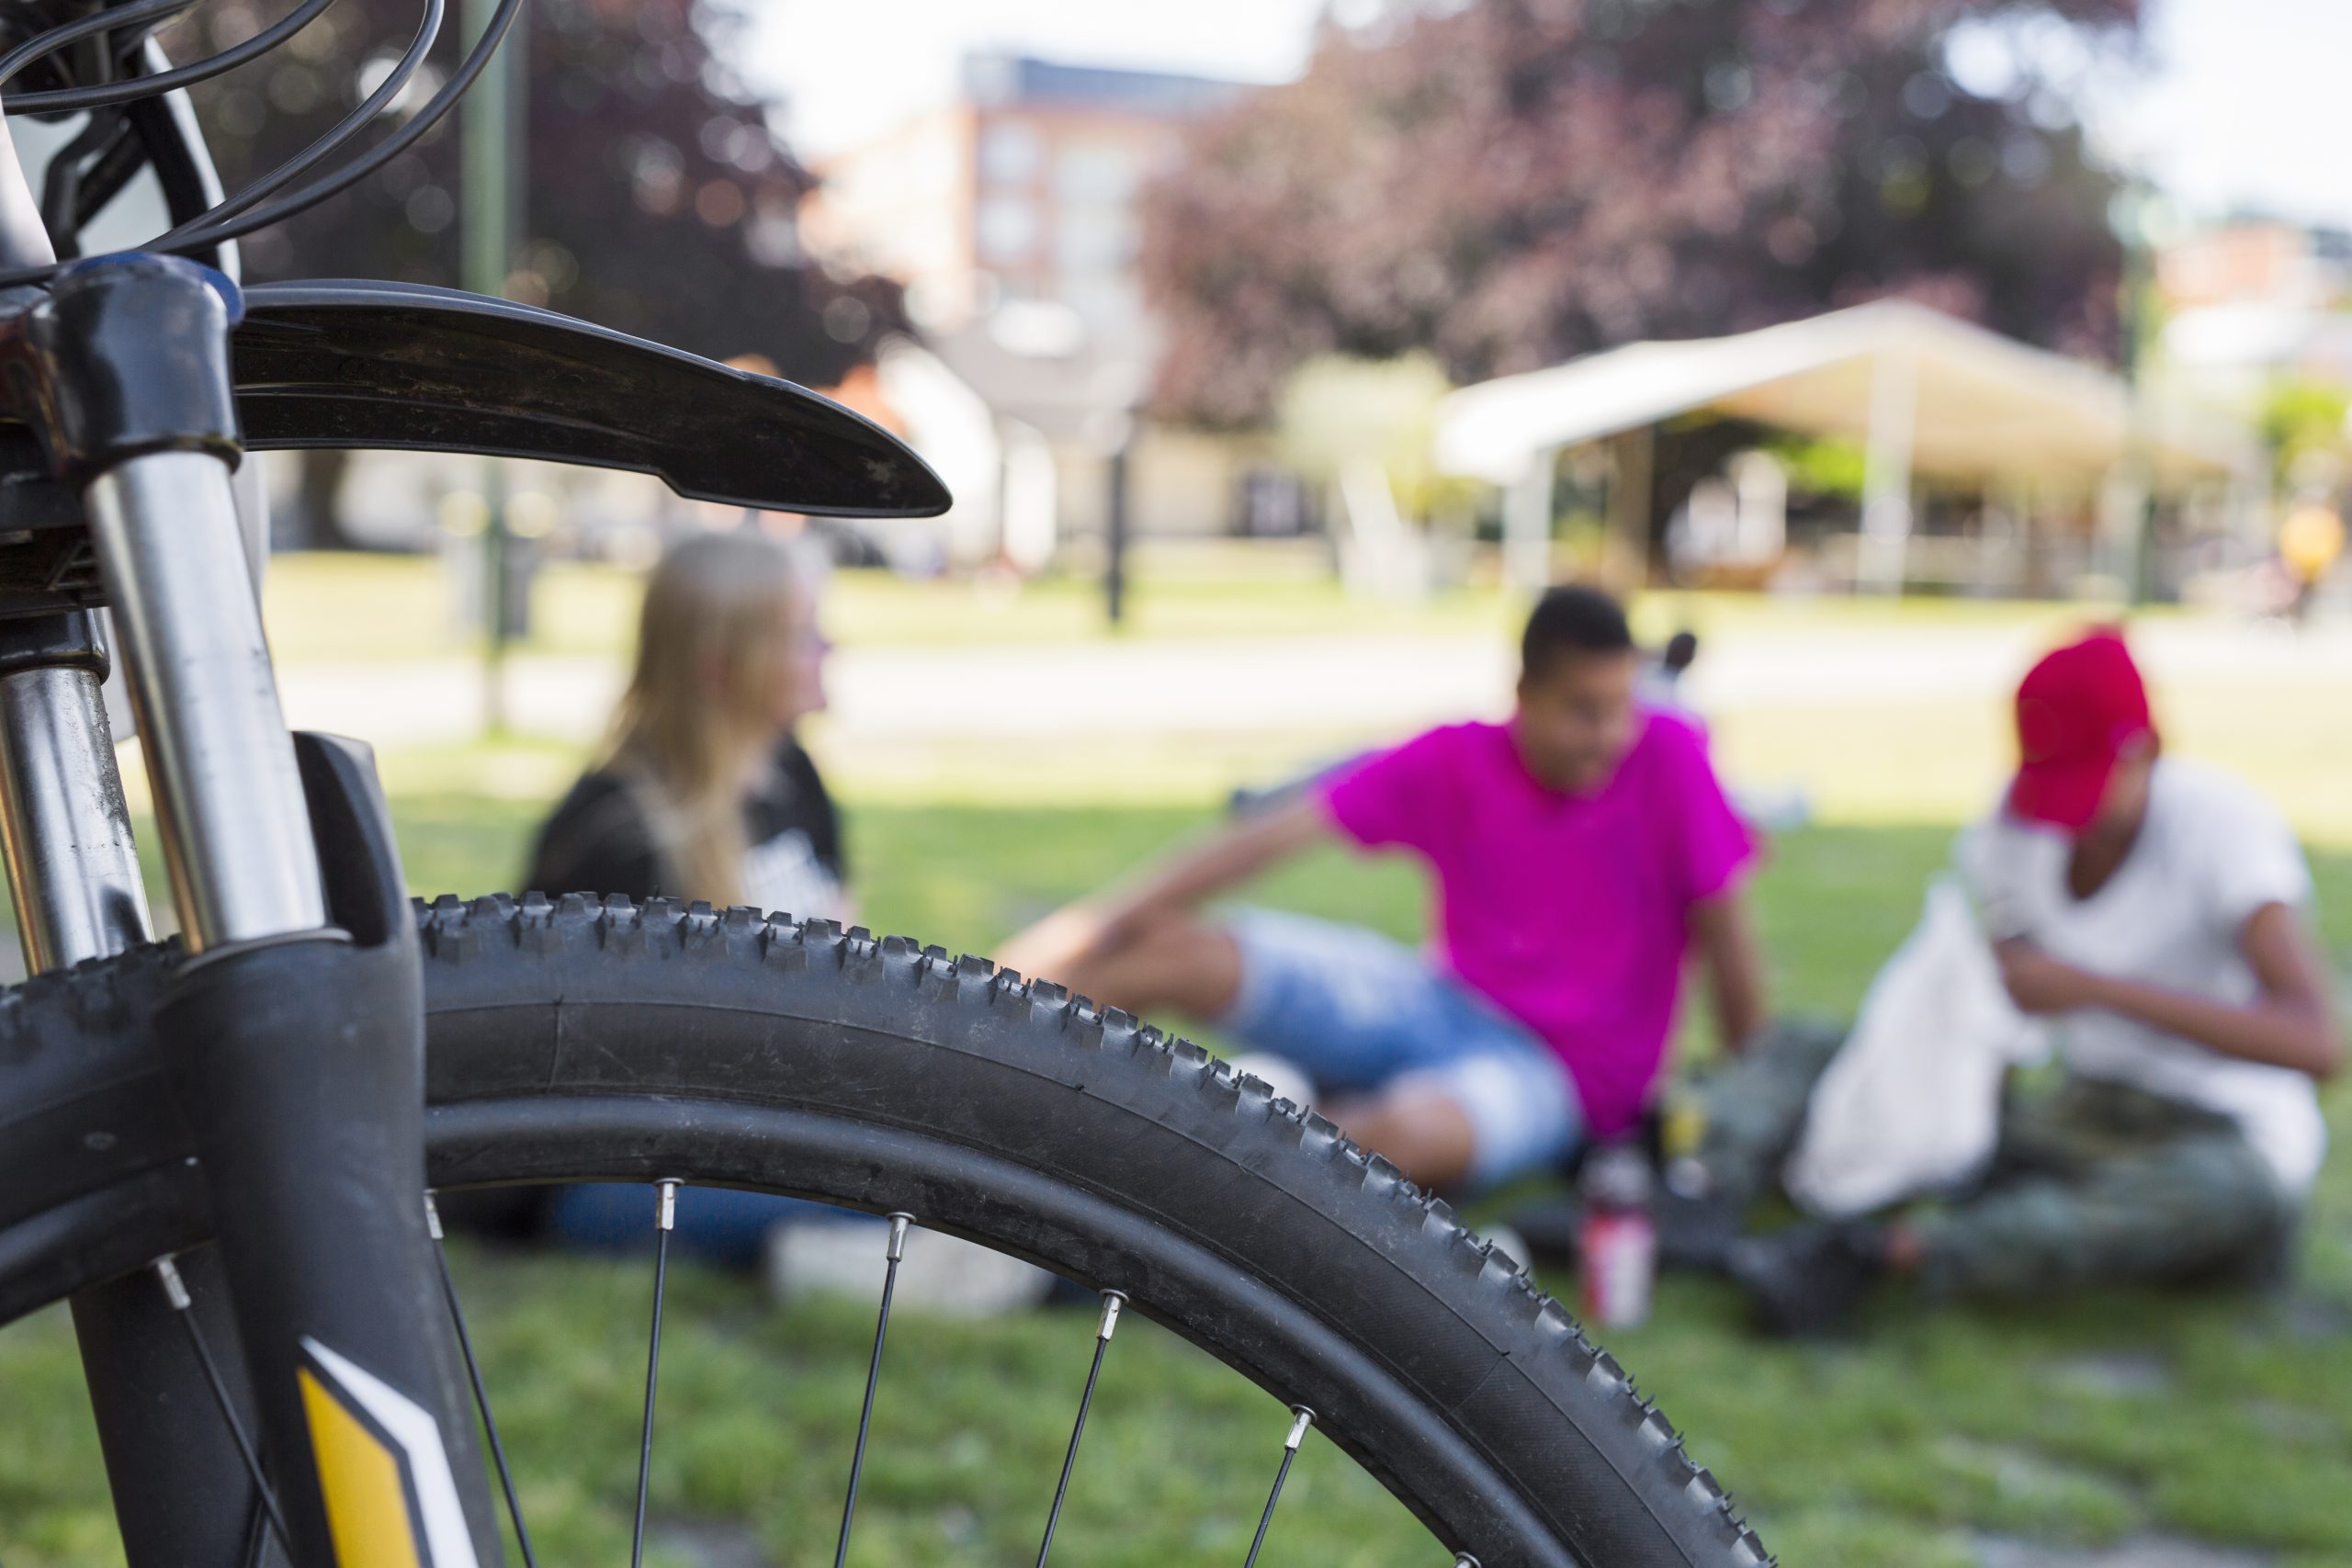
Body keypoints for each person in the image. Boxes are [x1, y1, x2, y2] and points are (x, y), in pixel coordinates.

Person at [999, 584, 1767, 1193]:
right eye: (1582, 710)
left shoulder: (1668, 757)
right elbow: (1268, 837)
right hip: (1441, 1001)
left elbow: (1728, 936)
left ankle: (1096, 1195)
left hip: (1563, 1077)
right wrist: (1087, 931)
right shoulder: (1460, 756)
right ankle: (978, 1116)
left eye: (1621, 706)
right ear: (1525, 691)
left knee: (1393, 1139)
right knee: (1167, 950)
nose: (1609, 734)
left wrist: (1754, 1115)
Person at [1722, 629, 2342, 1335]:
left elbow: (2316, 1042)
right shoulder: (2014, 825)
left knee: (2200, 1200)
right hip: (2080, 1108)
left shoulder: (2224, 828)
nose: (2065, 818)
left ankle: (1897, 1255)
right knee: (1827, 1050)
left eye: (2084, 777)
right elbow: (1999, 988)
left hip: (2227, 1134)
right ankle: (1703, 1183)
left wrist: (2095, 989)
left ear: (2144, 746)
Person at [528, 526, 848, 922]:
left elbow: (844, 939)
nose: (829, 647)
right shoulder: (611, 839)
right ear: (718, 667)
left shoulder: (791, 770)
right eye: (802, 635)